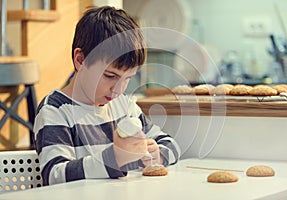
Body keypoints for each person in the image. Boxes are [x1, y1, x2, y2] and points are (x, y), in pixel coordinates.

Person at [33, 6, 181, 186]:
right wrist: (114, 159)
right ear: (80, 60)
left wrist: (158, 155)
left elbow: (171, 145)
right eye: (110, 76)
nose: (118, 89)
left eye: (128, 78)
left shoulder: (124, 107)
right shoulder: (55, 110)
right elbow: (54, 175)